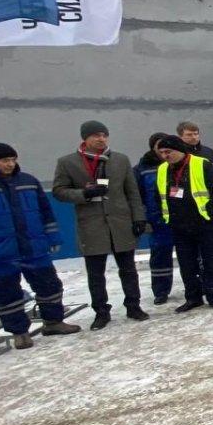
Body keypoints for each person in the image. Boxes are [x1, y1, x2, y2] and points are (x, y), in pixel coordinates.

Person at [0, 144, 82, 349]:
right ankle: (19, 332)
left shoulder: (29, 181)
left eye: (13, 159)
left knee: (49, 285)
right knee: (7, 294)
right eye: (4, 160)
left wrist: (53, 236)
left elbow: (45, 210)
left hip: (34, 246)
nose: (10, 164)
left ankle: (53, 322)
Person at [52, 121, 149, 330]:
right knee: (96, 273)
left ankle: (134, 305)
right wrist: (83, 194)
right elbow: (59, 191)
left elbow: (132, 191)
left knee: (129, 269)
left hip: (120, 223)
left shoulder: (120, 160)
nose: (101, 139)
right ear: (85, 138)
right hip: (92, 224)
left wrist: (138, 218)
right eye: (96, 135)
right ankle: (101, 312)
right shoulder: (68, 162)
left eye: (104, 135)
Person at [156, 135, 213, 312]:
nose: (165, 155)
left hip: (205, 222)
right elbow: (160, 195)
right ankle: (193, 297)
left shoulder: (202, 164)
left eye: (168, 152)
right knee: (187, 263)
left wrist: (209, 212)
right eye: (162, 152)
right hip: (179, 224)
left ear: (179, 150)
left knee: (211, 261)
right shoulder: (163, 169)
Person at [133, 133, 177, 305]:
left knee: (189, 254)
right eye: (159, 147)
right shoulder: (142, 169)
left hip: (180, 218)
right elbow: (137, 196)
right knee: (160, 256)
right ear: (153, 148)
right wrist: (144, 218)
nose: (163, 151)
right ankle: (161, 291)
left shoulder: (177, 165)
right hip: (157, 221)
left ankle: (196, 287)